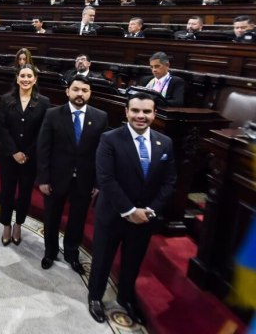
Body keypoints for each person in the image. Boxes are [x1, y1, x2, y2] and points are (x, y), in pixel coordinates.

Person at [87, 93, 176, 325]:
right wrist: (129, 210)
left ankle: (125, 298)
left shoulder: (164, 142)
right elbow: (106, 179)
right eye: (135, 110)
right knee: (102, 260)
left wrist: (150, 210)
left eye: (146, 111)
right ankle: (95, 297)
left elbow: (169, 182)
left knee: (132, 261)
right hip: (113, 214)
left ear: (154, 114)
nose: (141, 116)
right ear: (126, 112)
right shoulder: (109, 139)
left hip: (145, 218)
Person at [38, 75, 109, 273]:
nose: (80, 94)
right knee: (52, 218)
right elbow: (43, 148)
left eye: (84, 91)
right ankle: (49, 252)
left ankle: (71, 253)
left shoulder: (100, 117)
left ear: (90, 94)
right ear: (67, 91)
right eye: (76, 89)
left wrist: (98, 182)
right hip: (55, 178)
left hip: (85, 181)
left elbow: (101, 153)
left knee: (77, 219)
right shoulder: (52, 114)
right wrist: (43, 178)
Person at [0, 64, 50, 246]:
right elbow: (2, 128)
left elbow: (43, 132)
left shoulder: (43, 102)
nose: (26, 79)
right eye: (23, 76)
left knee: (25, 193)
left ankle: (18, 224)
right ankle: (6, 224)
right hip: (8, 156)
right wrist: (14, 151)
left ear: (35, 79)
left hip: (30, 158)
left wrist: (26, 153)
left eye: (29, 76)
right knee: (7, 192)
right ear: (17, 78)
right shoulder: (6, 99)